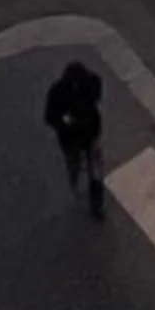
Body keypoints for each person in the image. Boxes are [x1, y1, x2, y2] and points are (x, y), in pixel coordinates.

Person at [44, 59, 106, 217]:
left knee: (92, 168)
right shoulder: (58, 92)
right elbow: (50, 117)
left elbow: (50, 116)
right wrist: (66, 120)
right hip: (74, 136)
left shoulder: (60, 90)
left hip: (85, 133)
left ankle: (94, 201)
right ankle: (78, 182)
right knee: (77, 164)